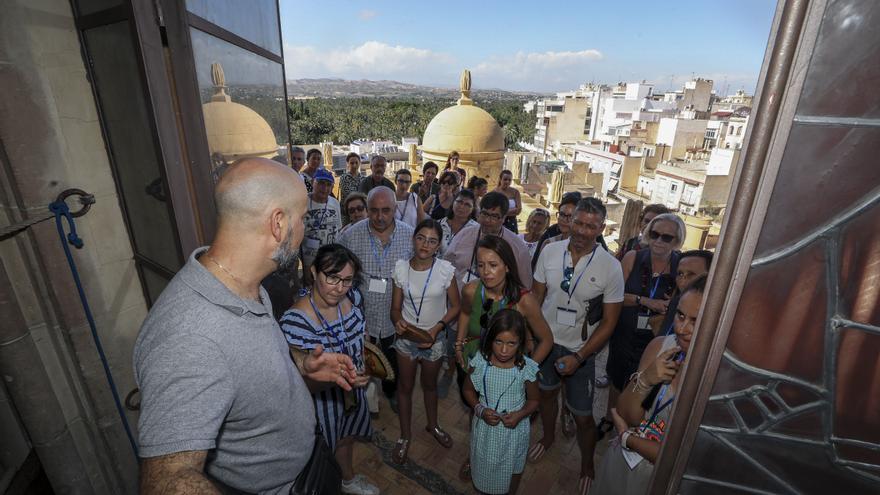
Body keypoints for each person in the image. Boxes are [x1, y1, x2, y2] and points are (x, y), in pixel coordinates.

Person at [134, 158, 356, 494]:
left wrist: (298, 362)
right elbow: (168, 480)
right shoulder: (187, 337)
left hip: (310, 464)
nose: (304, 230)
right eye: (303, 218)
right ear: (278, 224)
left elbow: (243, 355)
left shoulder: (247, 284)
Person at [530, 198, 625, 494]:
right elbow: (535, 301)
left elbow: (609, 323)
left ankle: (587, 464)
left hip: (580, 352)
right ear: (570, 222)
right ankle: (547, 437)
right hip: (546, 343)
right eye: (578, 223)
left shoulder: (611, 267)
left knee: (584, 416)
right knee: (546, 397)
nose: (582, 231)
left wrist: (581, 357)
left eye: (590, 226)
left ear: (601, 228)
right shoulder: (550, 251)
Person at [591, 275, 706, 495]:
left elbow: (682, 459)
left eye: (696, 321)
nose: (682, 329)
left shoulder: (719, 378)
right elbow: (627, 414)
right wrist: (646, 380)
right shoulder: (660, 346)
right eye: (680, 315)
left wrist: (628, 438)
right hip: (626, 463)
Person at [280, 244, 379, 495]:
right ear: (314, 272)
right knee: (322, 453)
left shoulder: (353, 297)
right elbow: (298, 382)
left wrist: (365, 363)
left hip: (351, 394)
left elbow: (359, 338)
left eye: (346, 280)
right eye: (332, 277)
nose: (339, 288)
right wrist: (341, 377)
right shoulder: (295, 321)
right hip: (320, 404)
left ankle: (347, 479)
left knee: (346, 437)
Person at [455, 235, 554, 481]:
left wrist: (525, 370)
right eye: (480, 265)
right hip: (474, 362)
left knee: (506, 416)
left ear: (508, 265)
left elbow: (547, 340)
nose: (486, 272)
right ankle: (474, 455)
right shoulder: (470, 290)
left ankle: (507, 463)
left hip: (509, 372)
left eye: (493, 264)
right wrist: (458, 345)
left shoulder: (524, 301)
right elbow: (465, 315)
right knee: (477, 411)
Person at [389, 219, 460, 464]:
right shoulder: (401, 268)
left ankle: (433, 425)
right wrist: (397, 321)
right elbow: (395, 309)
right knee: (405, 387)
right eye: (421, 238)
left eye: (432, 241)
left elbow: (457, 306)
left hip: (435, 339)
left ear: (438, 245)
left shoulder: (445, 270)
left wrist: (436, 328)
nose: (425, 245)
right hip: (407, 339)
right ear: (413, 238)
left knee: (430, 386)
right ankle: (405, 435)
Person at [339, 186, 414, 407]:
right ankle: (363, 403)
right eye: (373, 211)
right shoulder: (351, 236)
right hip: (362, 319)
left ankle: (391, 393)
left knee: (394, 363)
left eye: (386, 210)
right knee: (361, 365)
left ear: (395, 209)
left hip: (396, 320)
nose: (380, 217)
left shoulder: (410, 236)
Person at [462, 309, 540, 495]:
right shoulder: (481, 362)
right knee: (483, 462)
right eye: (499, 342)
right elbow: (467, 389)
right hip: (486, 430)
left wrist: (520, 415)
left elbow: (535, 400)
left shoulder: (525, 368)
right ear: (490, 339)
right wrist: (479, 409)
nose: (504, 350)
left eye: (511, 343)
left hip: (514, 433)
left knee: (512, 467)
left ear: (520, 342)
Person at [608, 213, 686, 393]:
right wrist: (645, 301)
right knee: (617, 382)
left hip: (655, 337)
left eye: (666, 237)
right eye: (654, 234)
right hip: (624, 334)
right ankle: (609, 419)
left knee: (643, 387)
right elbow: (613, 296)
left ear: (677, 241)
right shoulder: (632, 257)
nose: (659, 240)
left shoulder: (681, 266)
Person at [446, 191, 534, 289]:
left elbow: (524, 285)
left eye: (494, 216)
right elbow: (446, 267)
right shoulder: (464, 235)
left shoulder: (517, 248)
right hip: (459, 300)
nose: (487, 220)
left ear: (504, 218)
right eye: (485, 214)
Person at [659, 249, 712, 336]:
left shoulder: (714, 310)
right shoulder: (676, 302)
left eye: (691, 274)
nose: (682, 282)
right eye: (680, 274)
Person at [301, 169, 342, 272]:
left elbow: (339, 228)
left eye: (329, 185)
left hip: (331, 258)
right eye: (321, 183)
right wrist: (305, 267)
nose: (325, 188)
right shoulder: (302, 202)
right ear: (312, 182)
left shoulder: (335, 203)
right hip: (308, 261)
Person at [439, 189, 479, 255]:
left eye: (467, 205)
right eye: (459, 202)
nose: (462, 206)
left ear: (473, 209)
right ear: (453, 203)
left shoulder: (476, 230)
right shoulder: (440, 224)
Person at [339, 152, 363, 225]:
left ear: (359, 163)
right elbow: (348, 194)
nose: (354, 165)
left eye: (356, 162)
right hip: (346, 214)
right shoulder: (344, 177)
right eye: (352, 163)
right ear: (347, 164)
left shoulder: (363, 178)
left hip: (359, 213)